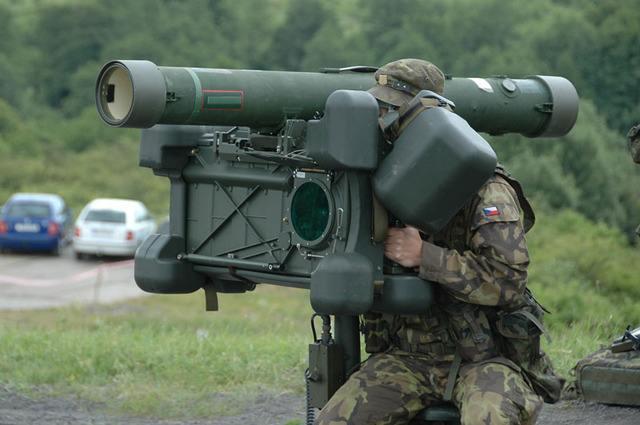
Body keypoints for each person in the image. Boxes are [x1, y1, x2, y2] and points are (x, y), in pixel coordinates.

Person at [316, 59, 561, 425]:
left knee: (489, 417)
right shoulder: (378, 183)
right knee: (337, 419)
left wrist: (424, 256)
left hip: (485, 360)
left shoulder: (485, 188)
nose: (383, 122)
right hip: (408, 358)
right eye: (379, 109)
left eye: (391, 111)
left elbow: (508, 282)